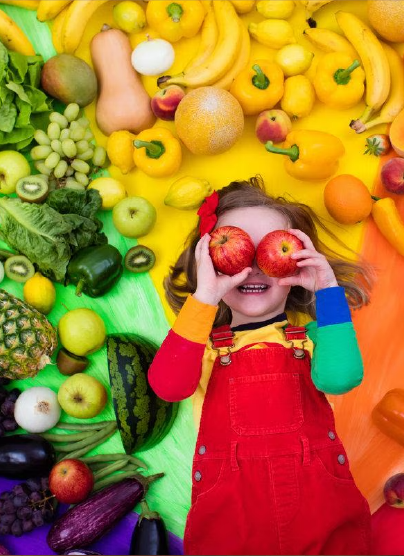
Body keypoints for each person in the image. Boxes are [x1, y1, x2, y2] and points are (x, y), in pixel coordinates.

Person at [148, 176, 372, 555]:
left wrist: (327, 290)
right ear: (207, 261)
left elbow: (340, 377)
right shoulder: (201, 349)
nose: (252, 268)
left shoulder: (316, 338)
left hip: (323, 519)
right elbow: (168, 385)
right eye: (235, 249)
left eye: (270, 250)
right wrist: (204, 297)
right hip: (230, 525)